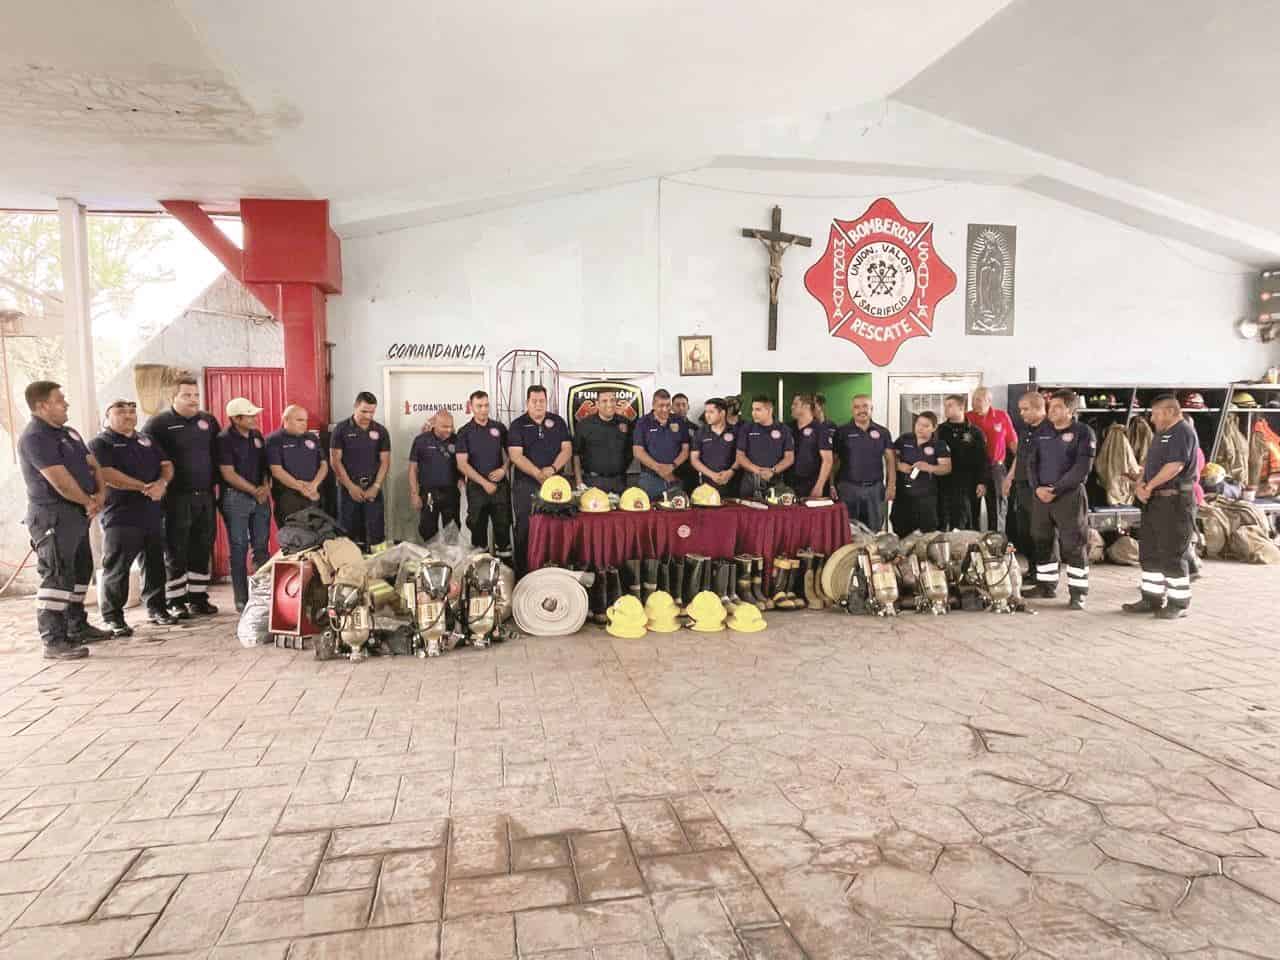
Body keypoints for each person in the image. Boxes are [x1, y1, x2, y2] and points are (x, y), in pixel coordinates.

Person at [19, 381, 110, 659]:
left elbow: (93, 465)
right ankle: (54, 639)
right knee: (57, 575)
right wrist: (88, 501)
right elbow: (59, 480)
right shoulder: (36, 437)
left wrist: (100, 495)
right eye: (60, 400)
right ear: (42, 406)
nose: (66, 404)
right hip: (52, 514)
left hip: (77, 512)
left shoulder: (68, 433)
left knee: (81, 570)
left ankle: (76, 625)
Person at [91, 399, 174, 635]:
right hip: (121, 515)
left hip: (151, 513)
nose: (128, 416)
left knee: (154, 563)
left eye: (131, 412)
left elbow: (166, 464)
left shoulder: (146, 439)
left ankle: (157, 608)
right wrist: (144, 487)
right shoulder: (100, 443)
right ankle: (113, 617)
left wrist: (162, 483)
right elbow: (107, 474)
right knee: (117, 567)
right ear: (107, 417)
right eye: (121, 412)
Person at [144, 374, 220, 618]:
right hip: (176, 498)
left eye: (196, 395)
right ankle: (175, 600)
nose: (193, 400)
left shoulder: (208, 421)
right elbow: (148, 459)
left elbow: (217, 454)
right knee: (176, 550)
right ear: (172, 397)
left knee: (202, 547)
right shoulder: (158, 424)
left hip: (205, 496)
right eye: (186, 395)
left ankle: (198, 598)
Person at [1124, 395, 1198, 619]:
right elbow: (1151, 464)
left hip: (1174, 501)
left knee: (1172, 552)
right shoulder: (1161, 434)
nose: (1152, 419)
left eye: (1155, 414)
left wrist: (1150, 486)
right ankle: (1152, 598)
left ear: (1169, 412)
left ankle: (1179, 603)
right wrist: (1140, 484)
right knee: (1150, 551)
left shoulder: (1182, 432)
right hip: (1155, 501)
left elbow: (1175, 466)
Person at [1024, 390, 1096, 610]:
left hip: (1069, 496)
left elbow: (1082, 468)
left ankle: (1078, 593)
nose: (1051, 411)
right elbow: (1031, 463)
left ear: (1070, 410)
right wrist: (1037, 488)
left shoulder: (1083, 433)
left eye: (1057, 407)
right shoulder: (1042, 431)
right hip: (1041, 496)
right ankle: (1046, 585)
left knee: (1074, 544)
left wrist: (1056, 489)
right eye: (1050, 406)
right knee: (1041, 539)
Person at [508, 385, 572, 575]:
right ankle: (524, 574)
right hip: (526, 485)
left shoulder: (558, 422)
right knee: (525, 529)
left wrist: (552, 470)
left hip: (555, 485)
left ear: (547, 401)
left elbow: (567, 449)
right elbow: (515, 455)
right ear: (527, 402)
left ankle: (557, 571)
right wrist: (538, 474)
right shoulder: (517, 425)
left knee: (557, 528)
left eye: (542, 401)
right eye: (534, 401)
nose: (538, 404)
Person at [216, 397, 270, 613]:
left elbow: (265, 465)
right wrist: (254, 490)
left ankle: (262, 597)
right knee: (238, 548)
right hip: (236, 497)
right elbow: (228, 473)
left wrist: (265, 487)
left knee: (261, 547)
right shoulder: (224, 439)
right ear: (236, 419)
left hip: (260, 497)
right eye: (250, 415)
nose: (255, 418)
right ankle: (241, 600)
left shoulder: (257, 436)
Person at [455, 390, 512, 564]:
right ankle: (481, 576)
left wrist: (504, 469)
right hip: (477, 489)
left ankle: (507, 572)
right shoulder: (464, 432)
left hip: (500, 488)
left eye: (486, 405)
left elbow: (513, 454)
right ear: (471, 407)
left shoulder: (499, 428)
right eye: (479, 406)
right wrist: (484, 483)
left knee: (503, 530)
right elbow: (461, 464)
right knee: (478, 532)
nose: (483, 409)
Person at [330, 391, 390, 550]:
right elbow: (335, 461)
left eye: (372, 412)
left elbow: (385, 461)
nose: (368, 416)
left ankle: (379, 568)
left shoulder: (381, 431)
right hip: (348, 490)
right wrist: (350, 487)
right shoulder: (341, 429)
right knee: (347, 532)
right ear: (355, 406)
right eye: (364, 411)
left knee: (376, 532)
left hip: (373, 489)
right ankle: (349, 569)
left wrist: (376, 487)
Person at [834, 395, 896, 531]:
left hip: (874, 489)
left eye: (865, 406)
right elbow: (834, 461)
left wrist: (891, 485)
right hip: (847, 488)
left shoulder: (882, 432)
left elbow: (890, 460)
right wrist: (831, 485)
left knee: (874, 531)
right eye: (857, 407)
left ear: (871, 408)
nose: (861, 410)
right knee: (847, 530)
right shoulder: (842, 432)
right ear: (852, 410)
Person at [1005, 391, 1051, 564]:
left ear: (1039, 408)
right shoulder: (1026, 430)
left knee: (1041, 532)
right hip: (1023, 486)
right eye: (1020, 409)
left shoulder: (1050, 430)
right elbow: (1020, 455)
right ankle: (1033, 570)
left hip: (1040, 488)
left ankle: (1046, 578)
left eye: (1025, 409)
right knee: (1025, 531)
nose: (1021, 413)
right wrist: (1009, 477)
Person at [266, 404, 328, 524]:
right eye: (299, 420)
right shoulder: (274, 440)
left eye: (305, 420)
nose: (304, 423)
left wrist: (314, 485)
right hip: (288, 498)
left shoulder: (312, 438)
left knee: (316, 535)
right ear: (286, 420)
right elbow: (277, 471)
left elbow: (324, 464)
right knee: (292, 537)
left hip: (313, 494)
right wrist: (301, 488)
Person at [966, 386, 1018, 532]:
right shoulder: (967, 418)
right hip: (973, 469)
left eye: (978, 399)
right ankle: (972, 547)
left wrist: (1013, 472)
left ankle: (997, 545)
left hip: (996, 468)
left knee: (998, 508)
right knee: (971, 509)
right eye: (973, 399)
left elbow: (1014, 445)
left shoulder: (1001, 417)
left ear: (989, 401)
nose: (974, 403)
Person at [891, 412, 951, 536]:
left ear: (934, 428)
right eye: (918, 424)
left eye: (925, 426)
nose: (920, 428)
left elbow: (946, 468)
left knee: (927, 534)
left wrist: (929, 467)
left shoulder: (939, 445)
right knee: (901, 530)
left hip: (926, 497)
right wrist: (899, 465)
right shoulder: (904, 439)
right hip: (903, 496)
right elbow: (890, 458)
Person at [936, 395, 987, 531]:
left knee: (967, 521)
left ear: (961, 407)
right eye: (945, 406)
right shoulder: (939, 431)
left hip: (968, 484)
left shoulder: (975, 432)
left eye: (950, 405)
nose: (946, 409)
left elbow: (982, 459)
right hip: (944, 482)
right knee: (943, 520)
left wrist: (982, 482)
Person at [410, 408, 461, 542]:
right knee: (427, 529)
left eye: (451, 426)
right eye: (444, 426)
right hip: (429, 492)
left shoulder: (457, 440)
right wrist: (414, 494)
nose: (448, 430)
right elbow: (412, 469)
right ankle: (432, 560)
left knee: (452, 530)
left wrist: (463, 479)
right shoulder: (421, 440)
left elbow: (464, 464)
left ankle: (451, 560)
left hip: (451, 491)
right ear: (435, 424)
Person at [632, 389, 690, 499]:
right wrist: (659, 468)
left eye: (668, 405)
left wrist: (672, 466)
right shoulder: (642, 422)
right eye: (661, 405)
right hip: (650, 479)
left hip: (675, 477)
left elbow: (685, 449)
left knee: (678, 512)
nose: (665, 409)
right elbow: (637, 451)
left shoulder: (679, 421)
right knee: (649, 514)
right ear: (653, 405)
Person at [572, 388, 632, 493]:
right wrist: (579, 482)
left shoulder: (625, 423)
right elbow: (576, 454)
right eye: (604, 401)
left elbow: (630, 451)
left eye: (612, 400)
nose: (609, 404)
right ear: (597, 404)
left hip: (619, 482)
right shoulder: (584, 425)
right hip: (593, 481)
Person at [735, 395, 795, 499]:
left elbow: (789, 457)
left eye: (758, 410)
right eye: (753, 409)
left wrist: (772, 471)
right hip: (750, 481)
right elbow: (740, 456)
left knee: (775, 514)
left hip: (775, 481)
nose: (753, 413)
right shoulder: (747, 428)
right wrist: (757, 470)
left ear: (769, 410)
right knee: (747, 514)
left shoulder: (784, 429)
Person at [689, 397, 738, 496]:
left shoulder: (736, 431)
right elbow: (694, 459)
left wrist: (730, 472)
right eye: (706, 412)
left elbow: (741, 456)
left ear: (722, 413)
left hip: (733, 485)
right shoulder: (700, 433)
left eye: (711, 412)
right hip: (707, 486)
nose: (707, 415)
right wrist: (713, 475)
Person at [789, 394, 833, 499]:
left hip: (813, 484)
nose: (792, 407)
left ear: (807, 406)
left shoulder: (821, 429)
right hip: (791, 485)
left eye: (795, 404)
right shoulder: (788, 428)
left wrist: (819, 486)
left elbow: (828, 460)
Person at [671, 393, 698, 493]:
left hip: (691, 473)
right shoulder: (665, 426)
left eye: (684, 404)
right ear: (672, 407)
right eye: (677, 405)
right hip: (671, 472)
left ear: (688, 407)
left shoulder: (695, 428)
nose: (681, 408)